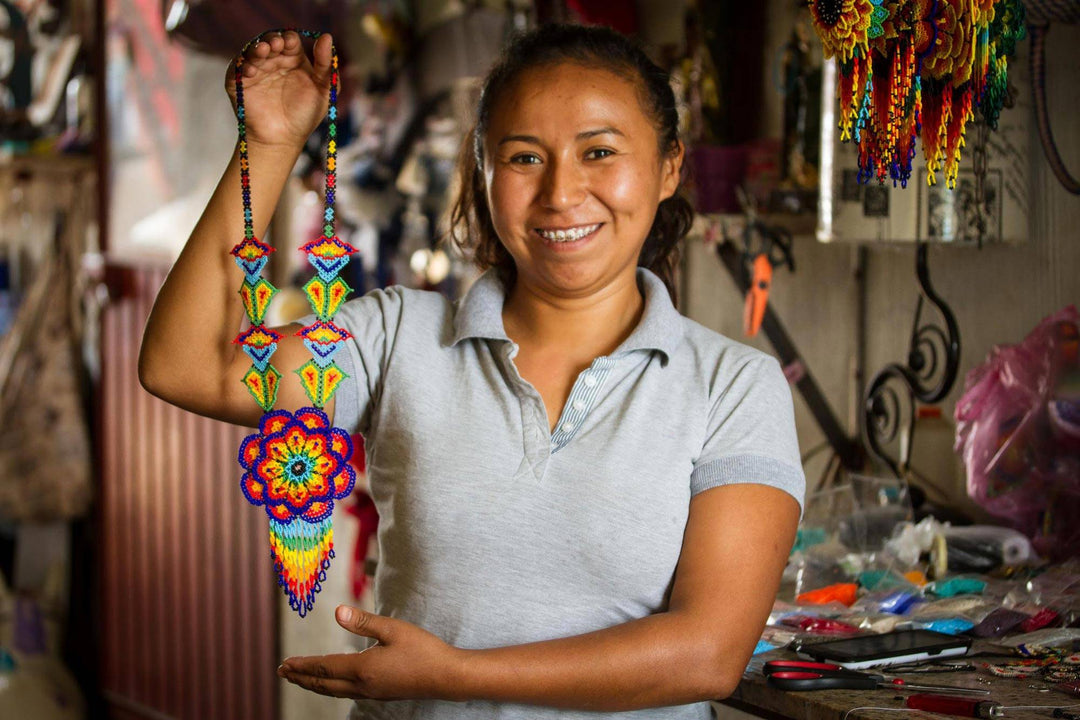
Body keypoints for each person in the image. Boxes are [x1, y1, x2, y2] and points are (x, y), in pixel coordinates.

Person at [138, 23, 805, 720]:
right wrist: (269, 143)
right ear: (482, 174)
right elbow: (185, 366)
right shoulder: (396, 338)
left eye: (599, 152)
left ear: (670, 167)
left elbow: (707, 654)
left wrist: (456, 673)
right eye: (523, 158)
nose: (561, 192)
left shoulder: (734, 386)